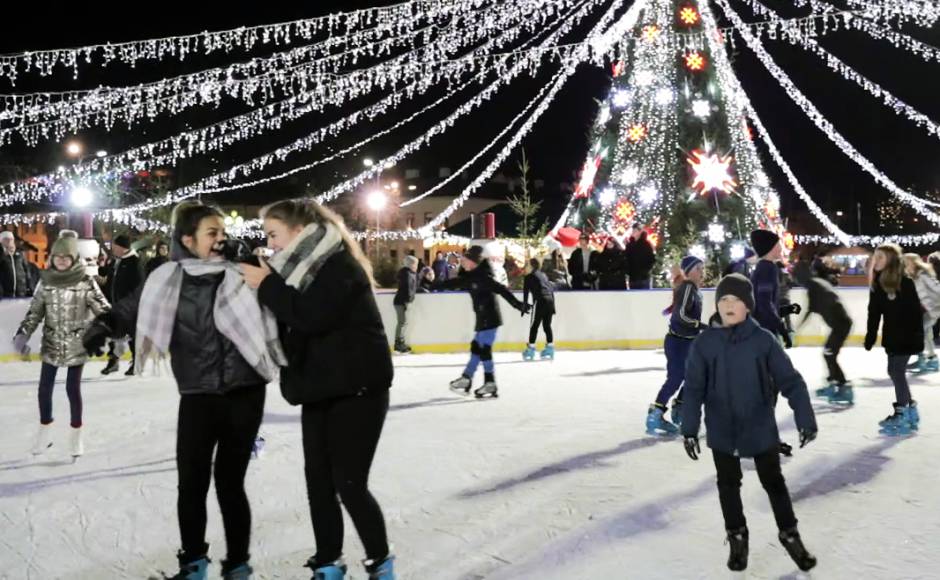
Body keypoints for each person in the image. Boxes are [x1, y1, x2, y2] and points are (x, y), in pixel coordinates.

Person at [84, 201, 282, 580]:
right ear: (188, 240)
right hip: (197, 394)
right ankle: (193, 564)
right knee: (191, 482)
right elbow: (130, 306)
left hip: (245, 390)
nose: (220, 239)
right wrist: (103, 325)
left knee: (229, 482)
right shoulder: (168, 277)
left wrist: (246, 259)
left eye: (223, 232)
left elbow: (280, 295)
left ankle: (238, 565)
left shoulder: (243, 271)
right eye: (212, 233)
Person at [238, 199, 396, 580]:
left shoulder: (338, 265)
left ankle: (380, 562)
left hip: (358, 388)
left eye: (274, 235)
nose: (270, 244)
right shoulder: (296, 271)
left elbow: (310, 316)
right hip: (319, 388)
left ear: (299, 230)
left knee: (350, 483)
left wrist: (268, 284)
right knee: (318, 482)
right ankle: (328, 561)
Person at [681, 273, 818, 573]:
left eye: (737, 300)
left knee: (774, 483)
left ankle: (790, 535)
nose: (729, 305)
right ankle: (737, 537)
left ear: (748, 306)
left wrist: (804, 418)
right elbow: (692, 388)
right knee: (728, 485)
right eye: (724, 299)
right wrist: (689, 428)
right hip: (721, 429)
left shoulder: (762, 341)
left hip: (758, 426)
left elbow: (791, 381)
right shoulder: (705, 343)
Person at [14, 231, 110, 458]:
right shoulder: (45, 283)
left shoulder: (86, 282)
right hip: (52, 343)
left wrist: (118, 332)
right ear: (52, 258)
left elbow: (104, 310)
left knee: (72, 389)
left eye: (67, 257)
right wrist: (22, 335)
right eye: (58, 257)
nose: (62, 261)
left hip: (77, 343)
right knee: (44, 389)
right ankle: (44, 432)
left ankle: (76, 437)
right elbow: (34, 313)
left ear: (74, 258)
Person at [440, 246, 530, 398]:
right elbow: (454, 283)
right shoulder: (471, 276)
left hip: (490, 319)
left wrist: (518, 304)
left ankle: (489, 382)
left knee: (483, 349)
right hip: (483, 319)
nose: (462, 261)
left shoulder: (483, 277)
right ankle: (467, 378)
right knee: (477, 347)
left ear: (473, 262)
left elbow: (502, 290)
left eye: (465, 259)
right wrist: (433, 285)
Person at [865, 244, 924, 435]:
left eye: (880, 257)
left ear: (890, 260)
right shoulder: (877, 284)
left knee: (896, 371)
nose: (876, 261)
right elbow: (873, 313)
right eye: (876, 257)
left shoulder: (905, 283)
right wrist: (871, 335)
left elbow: (916, 313)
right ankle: (910, 409)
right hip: (892, 337)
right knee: (894, 371)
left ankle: (903, 413)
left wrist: (914, 338)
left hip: (906, 337)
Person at [646, 256, 704, 435]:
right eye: (698, 269)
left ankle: (679, 407)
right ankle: (655, 415)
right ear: (688, 271)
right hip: (678, 342)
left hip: (687, 341)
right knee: (676, 378)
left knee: (695, 376)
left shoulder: (693, 290)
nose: (702, 272)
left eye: (702, 268)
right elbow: (680, 315)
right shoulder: (687, 287)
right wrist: (700, 326)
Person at [792, 262, 854, 404]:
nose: (796, 281)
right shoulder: (816, 284)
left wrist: (799, 327)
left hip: (841, 325)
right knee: (828, 354)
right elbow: (815, 306)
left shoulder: (814, 287)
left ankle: (842, 387)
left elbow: (812, 308)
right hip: (840, 324)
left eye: (796, 277)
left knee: (829, 354)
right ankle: (834, 383)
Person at [101, 234, 142, 376]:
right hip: (115, 305)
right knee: (115, 334)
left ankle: (136, 362)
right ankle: (114, 362)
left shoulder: (134, 262)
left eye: (114, 246)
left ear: (121, 247)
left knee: (131, 335)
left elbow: (138, 286)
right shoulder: (115, 261)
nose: (112, 248)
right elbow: (109, 281)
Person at [902, 253, 940, 374]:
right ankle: (931, 359)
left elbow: (937, 288)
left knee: (920, 332)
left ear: (913, 263)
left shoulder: (923, 275)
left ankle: (923, 359)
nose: (904, 265)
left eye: (906, 263)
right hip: (926, 309)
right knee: (926, 333)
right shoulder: (913, 277)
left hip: (934, 308)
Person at [522, 258, 556, 361]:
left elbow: (526, 294)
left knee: (535, 326)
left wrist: (524, 307)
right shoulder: (543, 275)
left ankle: (531, 349)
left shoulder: (528, 277)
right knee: (547, 325)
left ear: (531, 266)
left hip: (541, 301)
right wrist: (553, 307)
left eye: (527, 265)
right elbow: (550, 289)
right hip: (550, 300)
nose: (525, 266)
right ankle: (550, 348)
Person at [393, 256, 418, 354]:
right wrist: (407, 301)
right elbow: (407, 289)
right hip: (401, 301)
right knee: (402, 322)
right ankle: (399, 344)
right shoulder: (407, 274)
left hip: (401, 301)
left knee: (403, 322)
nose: (416, 266)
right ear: (411, 264)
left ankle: (399, 343)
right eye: (415, 264)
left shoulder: (409, 273)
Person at [0, 230, 32, 298]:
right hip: (5, 293)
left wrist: (29, 287)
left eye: (11, 239)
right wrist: (3, 254)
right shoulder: (1, 255)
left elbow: (26, 271)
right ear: (1, 241)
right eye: (6, 239)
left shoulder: (20, 254)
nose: (9, 241)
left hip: (21, 292)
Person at [625, 224, 656, 289]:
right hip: (632, 277)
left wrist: (645, 270)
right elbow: (626, 258)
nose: (633, 232)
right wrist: (628, 271)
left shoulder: (646, 244)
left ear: (640, 232)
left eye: (635, 230)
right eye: (633, 230)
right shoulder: (630, 245)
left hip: (643, 277)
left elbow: (651, 259)